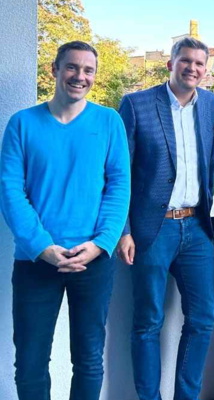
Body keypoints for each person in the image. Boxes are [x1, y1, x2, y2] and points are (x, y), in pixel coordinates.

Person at [0, 41, 130, 400]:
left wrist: (101, 243)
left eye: (88, 70)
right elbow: (10, 191)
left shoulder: (109, 122)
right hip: (36, 260)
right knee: (30, 363)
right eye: (72, 67)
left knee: (88, 360)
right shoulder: (22, 123)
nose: (80, 76)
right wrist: (42, 247)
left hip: (93, 260)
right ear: (54, 70)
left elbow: (119, 186)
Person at [117, 37, 214, 400]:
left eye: (199, 63)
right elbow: (119, 171)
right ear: (170, 64)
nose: (192, 68)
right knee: (148, 322)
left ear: (205, 70)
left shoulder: (211, 104)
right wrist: (124, 230)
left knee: (203, 318)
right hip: (152, 229)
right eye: (185, 61)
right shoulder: (136, 104)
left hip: (197, 227)